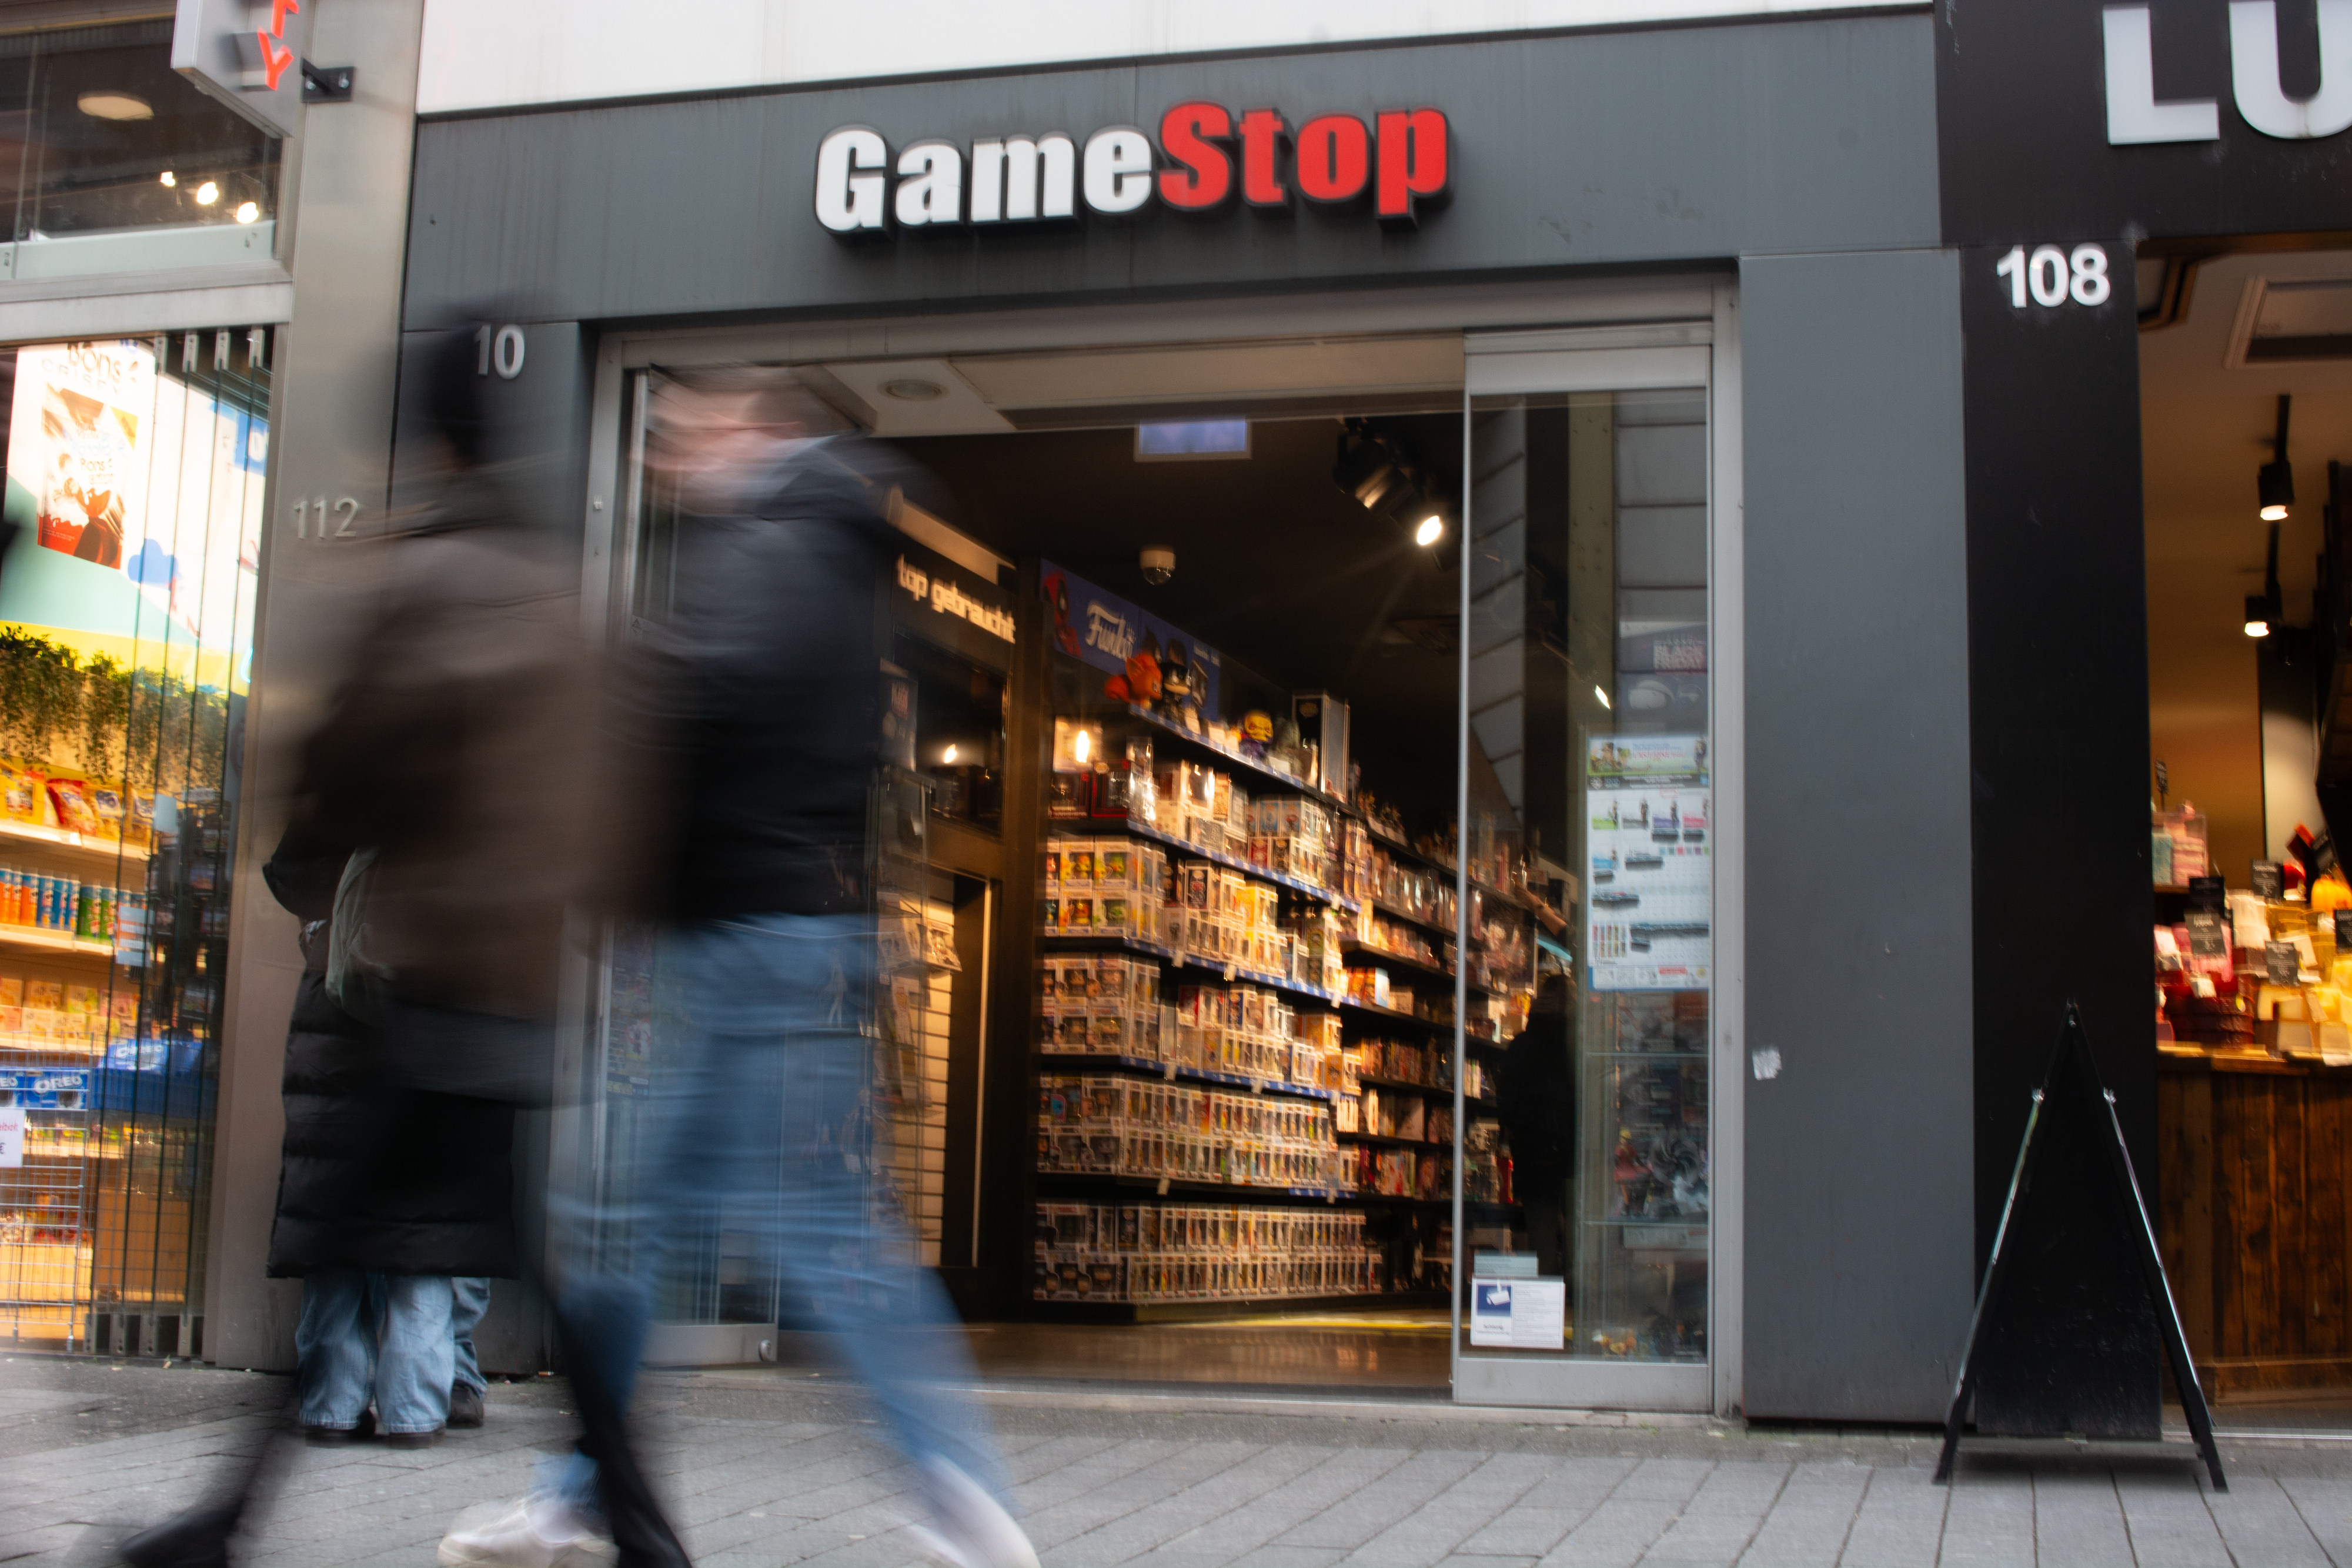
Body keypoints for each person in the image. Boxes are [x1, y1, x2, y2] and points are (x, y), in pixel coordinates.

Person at [439, 369, 1035, 1568]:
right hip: (798, 931)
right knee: (729, 1226)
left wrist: (606, 865)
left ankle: (948, 1488)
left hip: (729, 945)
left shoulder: (759, 548)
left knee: (661, 1228)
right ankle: (944, 1492)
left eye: (685, 434)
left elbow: (678, 705)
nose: (667, 455)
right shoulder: (834, 552)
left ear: (749, 431)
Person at [261, 835, 518, 1448]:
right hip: (438, 1032)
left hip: (337, 1031)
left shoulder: (354, 795)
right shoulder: (472, 816)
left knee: (336, 1239)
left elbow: (287, 873)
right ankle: (413, 1412)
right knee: (424, 1243)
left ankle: (331, 1406)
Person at [1496, 971, 1575, 1278]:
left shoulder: (1522, 1047)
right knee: (1577, 1229)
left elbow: (1507, 1102)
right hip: (1571, 1154)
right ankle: (1574, 1291)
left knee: (1541, 1234)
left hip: (1533, 1155)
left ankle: (1547, 1294)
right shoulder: (1575, 1048)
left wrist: (1519, 1137)